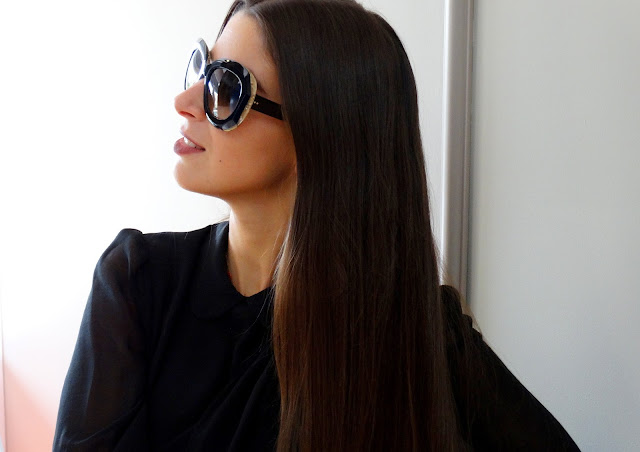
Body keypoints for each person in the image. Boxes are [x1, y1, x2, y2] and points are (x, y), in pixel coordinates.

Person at [53, 0, 581, 450]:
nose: (185, 102)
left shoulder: (413, 331)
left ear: (320, 130)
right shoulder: (139, 282)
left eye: (225, 88)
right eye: (201, 69)